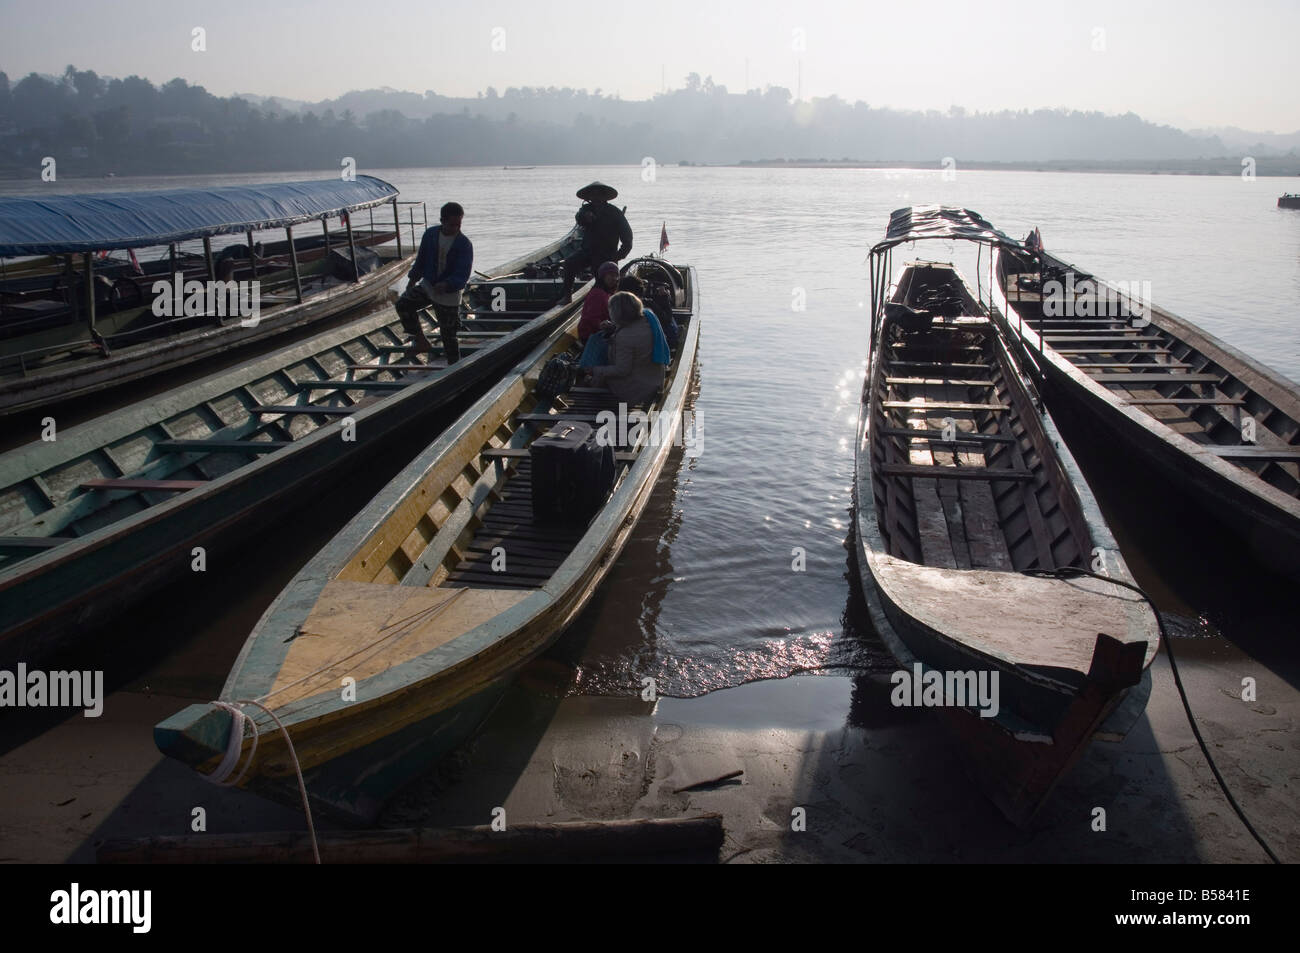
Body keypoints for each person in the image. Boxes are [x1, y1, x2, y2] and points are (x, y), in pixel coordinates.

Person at [395, 202, 472, 362]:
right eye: (452, 224)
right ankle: (421, 342)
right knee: (403, 304)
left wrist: (447, 284)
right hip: (428, 286)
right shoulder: (430, 235)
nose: (456, 228)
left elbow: (462, 275)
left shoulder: (464, 244)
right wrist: (412, 280)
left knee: (449, 337)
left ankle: (454, 370)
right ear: (442, 220)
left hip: (449, 295)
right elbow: (421, 260)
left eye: (459, 224)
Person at [587, 291, 669, 405]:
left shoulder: (625, 336)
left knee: (594, 378)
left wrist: (595, 370)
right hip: (653, 379)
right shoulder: (648, 318)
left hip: (636, 389)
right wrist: (615, 328)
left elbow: (622, 370)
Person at [559, 182, 632, 302]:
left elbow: (627, 240)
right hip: (587, 252)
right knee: (569, 264)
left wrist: (616, 257)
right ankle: (567, 295)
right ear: (589, 198)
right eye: (593, 196)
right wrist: (585, 216)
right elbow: (579, 217)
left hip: (606, 255)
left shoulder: (615, 213)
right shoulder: (586, 209)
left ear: (604, 197)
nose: (596, 198)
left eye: (599, 195)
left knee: (601, 285)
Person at [578, 261, 620, 344]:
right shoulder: (597, 293)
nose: (614, 278)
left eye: (616, 275)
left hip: (601, 331)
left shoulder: (608, 293)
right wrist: (603, 325)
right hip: (590, 335)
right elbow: (591, 318)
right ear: (603, 276)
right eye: (611, 275)